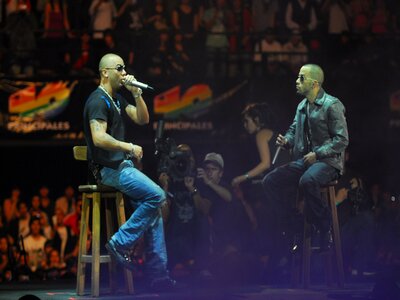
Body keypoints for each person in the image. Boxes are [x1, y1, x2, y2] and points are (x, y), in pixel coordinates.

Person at [82, 53, 175, 291]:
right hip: (108, 169)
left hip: (121, 166)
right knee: (157, 195)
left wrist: (137, 94)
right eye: (120, 68)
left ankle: (159, 275)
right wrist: (129, 147)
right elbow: (98, 137)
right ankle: (120, 243)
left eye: (125, 69)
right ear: (105, 72)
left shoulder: (117, 99)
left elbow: (143, 119)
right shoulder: (98, 100)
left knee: (153, 209)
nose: (124, 73)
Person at [262, 64, 349, 260]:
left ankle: (324, 227)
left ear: (315, 83)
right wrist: (286, 141)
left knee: (307, 181)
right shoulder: (302, 106)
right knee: (270, 181)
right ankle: (294, 224)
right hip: (306, 161)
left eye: (302, 78)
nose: (297, 81)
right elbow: (293, 130)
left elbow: (342, 140)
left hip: (328, 163)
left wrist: (317, 154)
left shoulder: (332, 105)